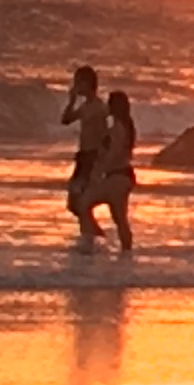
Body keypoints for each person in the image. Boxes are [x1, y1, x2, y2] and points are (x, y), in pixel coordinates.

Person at [90, 87, 139, 254]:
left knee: (84, 203)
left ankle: (94, 241)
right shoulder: (126, 126)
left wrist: (100, 171)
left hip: (117, 175)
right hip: (123, 175)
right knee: (120, 219)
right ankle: (126, 254)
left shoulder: (119, 128)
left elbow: (114, 152)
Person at [62, 65, 106, 246]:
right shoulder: (85, 107)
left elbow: (104, 135)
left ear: (87, 84)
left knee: (82, 201)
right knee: (74, 202)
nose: (76, 85)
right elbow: (65, 120)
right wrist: (71, 100)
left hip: (92, 157)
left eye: (78, 82)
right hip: (83, 156)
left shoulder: (99, 107)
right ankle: (93, 233)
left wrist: (101, 161)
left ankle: (90, 238)